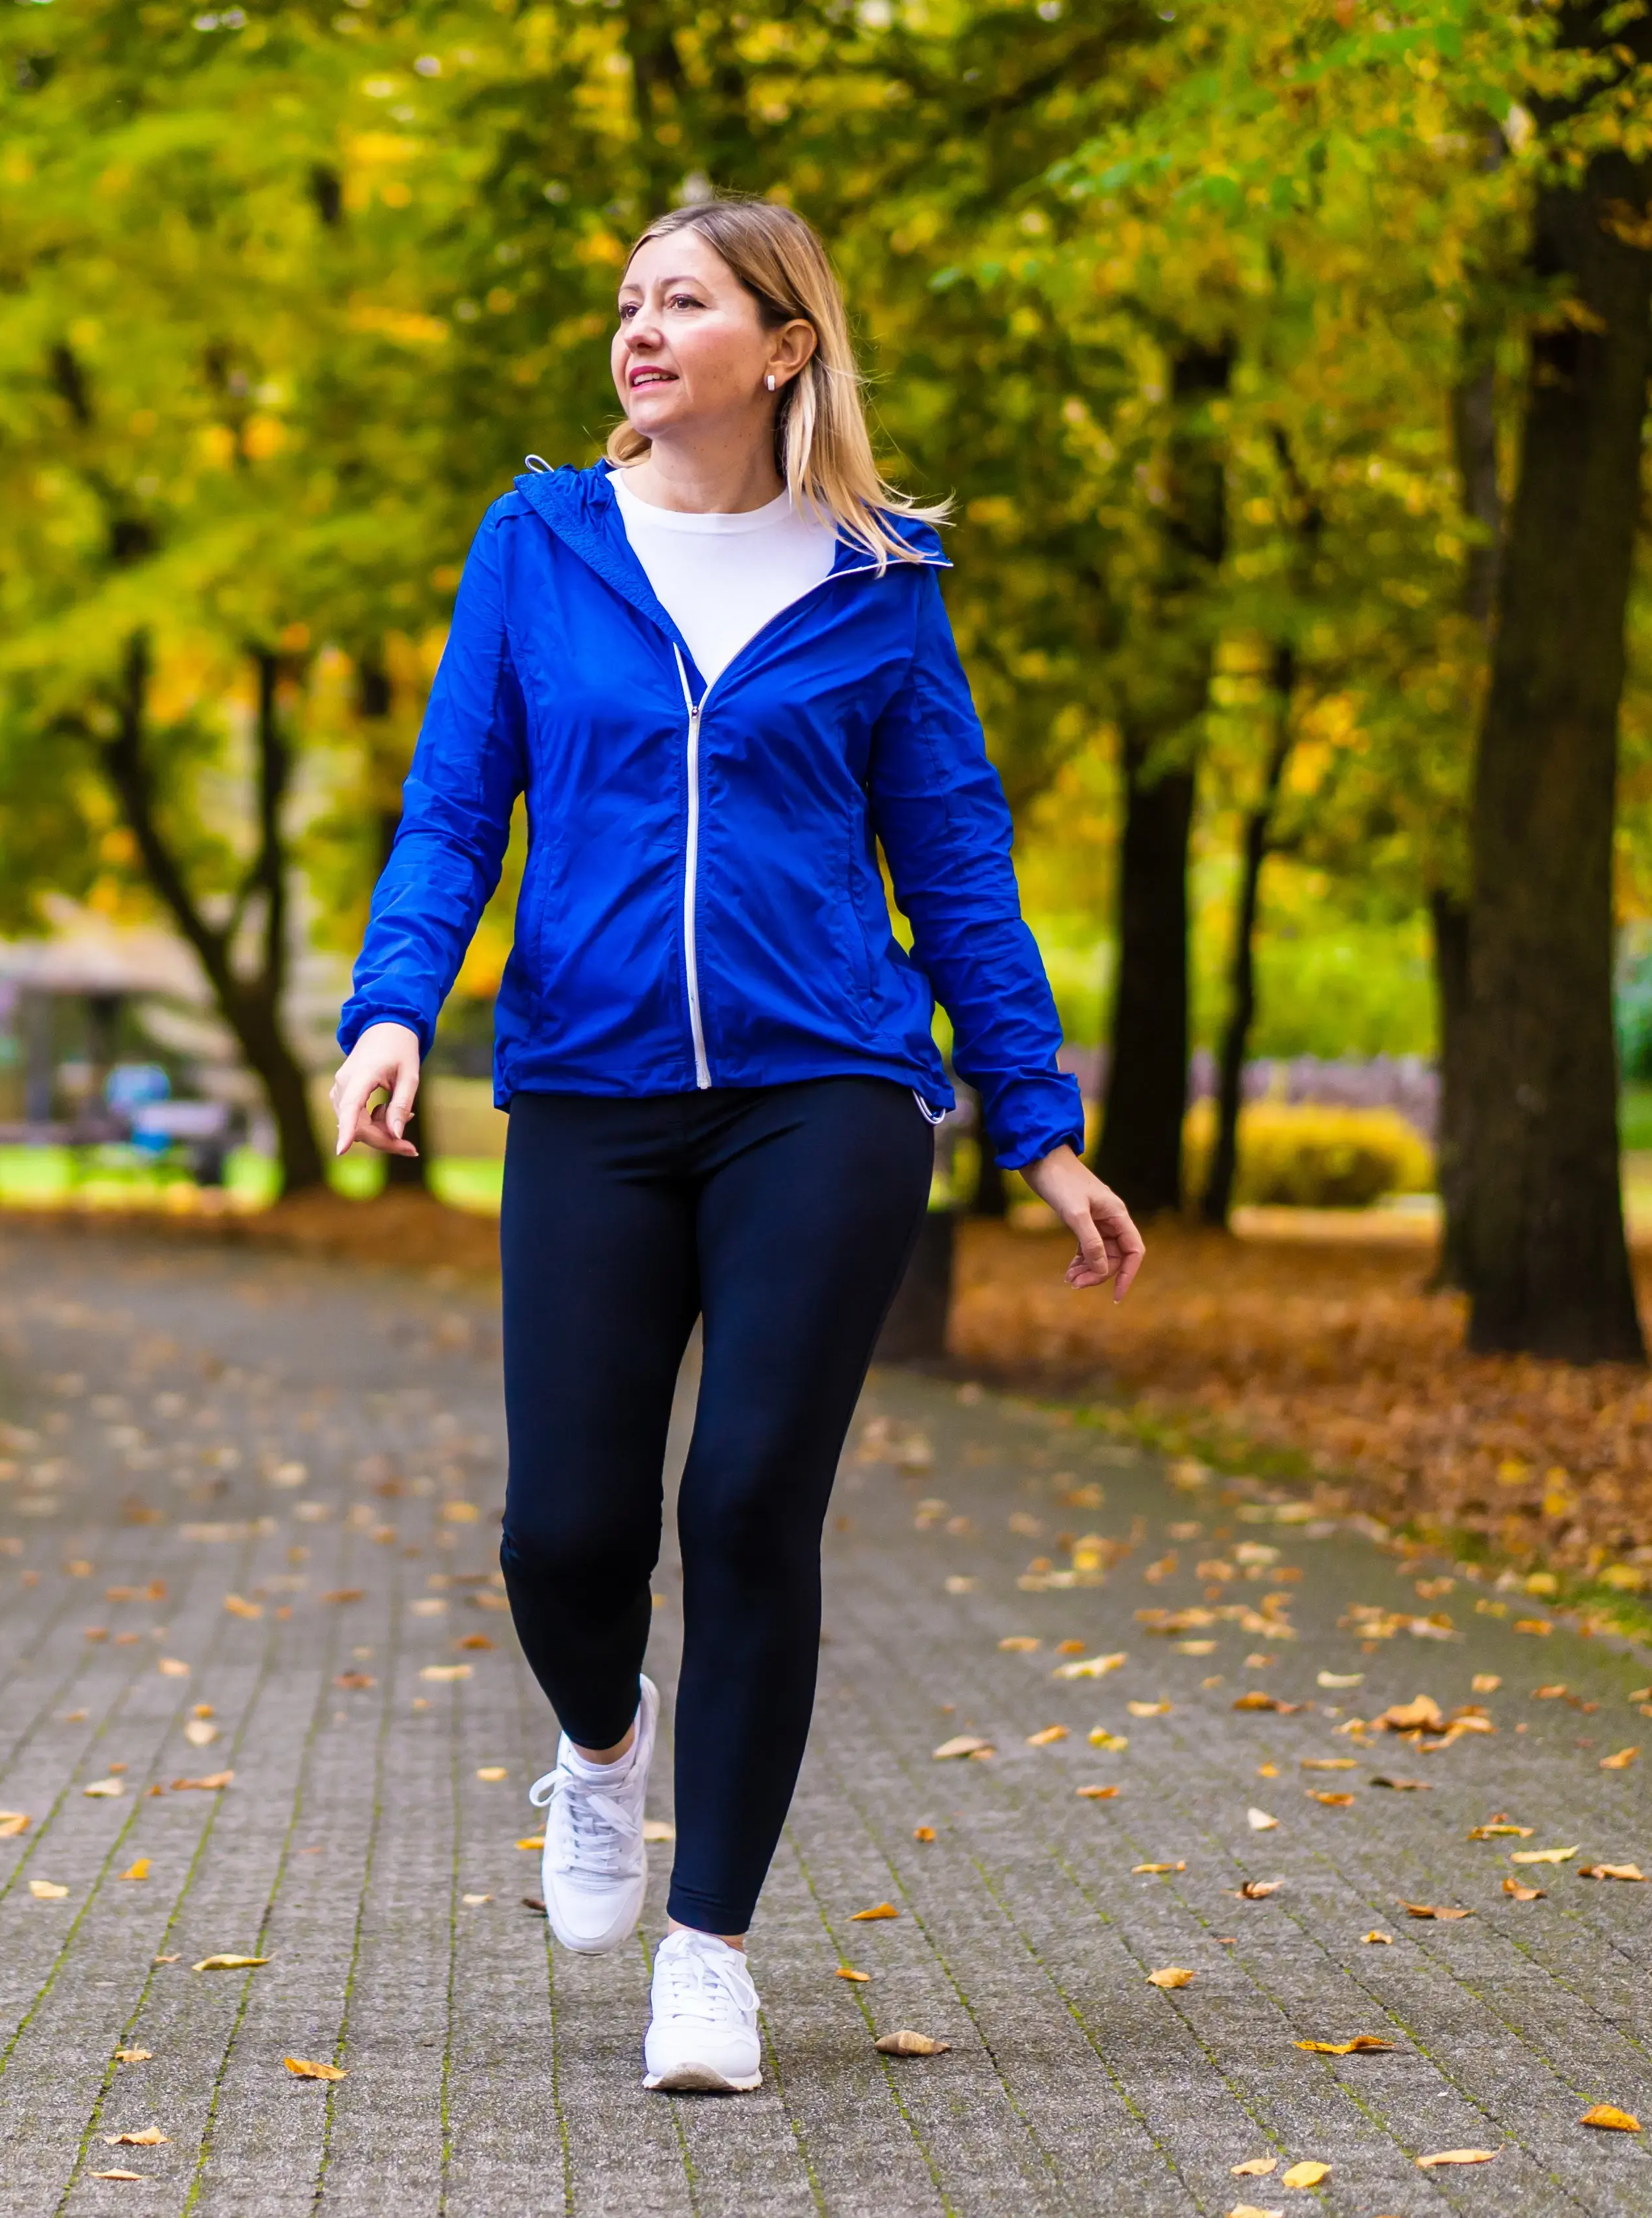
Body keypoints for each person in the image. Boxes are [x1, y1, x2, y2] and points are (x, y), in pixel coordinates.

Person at [328, 195, 1145, 2099]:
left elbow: (953, 862)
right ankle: (601, 1747)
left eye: (682, 300)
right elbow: (456, 806)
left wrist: (1039, 1124)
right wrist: (392, 1006)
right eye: (626, 299)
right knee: (569, 1529)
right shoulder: (539, 544)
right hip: (593, 1090)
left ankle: (713, 1952)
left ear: (786, 344)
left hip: (829, 1092)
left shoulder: (882, 579)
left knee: (753, 1498)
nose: (638, 328)